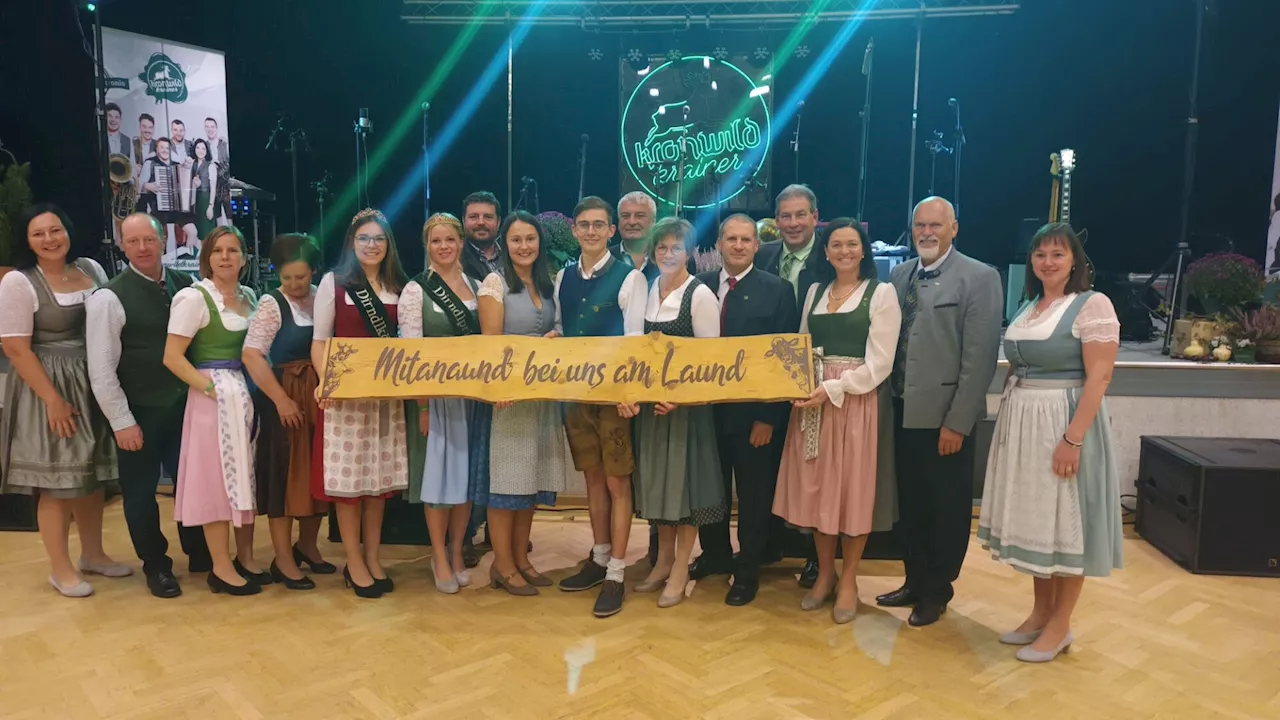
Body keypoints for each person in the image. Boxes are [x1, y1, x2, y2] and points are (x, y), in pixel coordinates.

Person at [978, 222, 1124, 663]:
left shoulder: (1091, 305)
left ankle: (1061, 625)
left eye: (1057, 255)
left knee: (1066, 525)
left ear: (1075, 260)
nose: (1047, 262)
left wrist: (1072, 439)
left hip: (1062, 420)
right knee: (1040, 523)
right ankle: (1040, 613)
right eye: (1040, 255)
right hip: (1025, 422)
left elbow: (1099, 376)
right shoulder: (1032, 305)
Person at [877, 196, 1002, 627]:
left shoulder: (979, 277)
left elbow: (980, 358)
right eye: (919, 226)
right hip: (900, 412)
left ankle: (936, 591)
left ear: (954, 228)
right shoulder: (898, 275)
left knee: (944, 509)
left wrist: (958, 421)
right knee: (909, 505)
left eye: (935, 225)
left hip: (944, 420)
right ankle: (913, 580)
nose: (926, 233)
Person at [773, 218, 901, 623]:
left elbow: (881, 363)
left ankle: (849, 578)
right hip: (813, 404)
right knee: (819, 491)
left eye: (851, 244)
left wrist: (833, 388)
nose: (844, 251)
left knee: (852, 493)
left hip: (855, 403)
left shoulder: (881, 294)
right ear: (825, 252)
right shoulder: (814, 291)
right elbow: (800, 346)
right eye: (836, 245)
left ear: (863, 250)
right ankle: (824, 573)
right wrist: (797, 382)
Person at [86, 212, 213, 598]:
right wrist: (122, 421)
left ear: (163, 242)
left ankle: (200, 552)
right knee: (140, 493)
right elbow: (101, 368)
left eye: (150, 240)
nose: (142, 248)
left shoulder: (186, 285)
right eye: (133, 241)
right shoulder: (108, 297)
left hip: (183, 407)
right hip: (138, 410)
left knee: (190, 483)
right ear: (123, 246)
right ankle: (156, 564)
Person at [1, 204, 122, 598]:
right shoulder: (19, 282)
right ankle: (60, 568)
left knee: (91, 476)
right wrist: (53, 400)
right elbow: (16, 349)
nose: (50, 239)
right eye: (39, 234)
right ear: (27, 241)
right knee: (57, 483)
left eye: (56, 230)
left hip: (92, 379)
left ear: (68, 231)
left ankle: (93, 554)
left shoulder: (90, 269)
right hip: (48, 384)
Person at [690, 214, 799, 606]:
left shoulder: (779, 290)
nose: (738, 246)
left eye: (746, 239)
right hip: (705, 414)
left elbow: (783, 359)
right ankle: (715, 555)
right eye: (731, 239)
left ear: (757, 245)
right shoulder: (699, 287)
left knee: (753, 497)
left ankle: (748, 569)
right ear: (718, 244)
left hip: (754, 418)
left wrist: (769, 416)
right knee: (709, 489)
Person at [621, 217, 724, 609]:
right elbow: (634, 350)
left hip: (685, 411)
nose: (667, 254)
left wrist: (681, 398)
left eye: (675, 248)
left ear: (689, 252)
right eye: (661, 248)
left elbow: (711, 364)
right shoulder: (647, 290)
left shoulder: (699, 296)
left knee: (684, 489)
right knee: (661, 487)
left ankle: (681, 566)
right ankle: (662, 562)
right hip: (653, 410)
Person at [555, 195, 647, 618]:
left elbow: (634, 342)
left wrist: (627, 392)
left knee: (617, 483)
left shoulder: (631, 279)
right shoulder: (562, 277)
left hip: (612, 399)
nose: (591, 231)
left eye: (599, 225)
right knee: (592, 480)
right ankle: (598, 555)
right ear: (574, 229)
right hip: (575, 395)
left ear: (612, 230)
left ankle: (616, 572)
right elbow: (562, 327)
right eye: (584, 224)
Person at [311, 208, 410, 599]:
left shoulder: (398, 287)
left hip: (383, 400)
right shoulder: (334, 284)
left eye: (379, 239)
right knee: (350, 487)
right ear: (352, 243)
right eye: (364, 238)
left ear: (389, 245)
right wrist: (327, 383)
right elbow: (319, 343)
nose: (372, 245)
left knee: (377, 486)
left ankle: (373, 557)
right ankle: (353, 561)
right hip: (346, 401)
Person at [162, 225, 262, 596]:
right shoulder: (194, 298)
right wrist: (211, 389)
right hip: (212, 401)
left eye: (233, 250)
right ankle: (220, 566)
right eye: (218, 250)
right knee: (216, 481)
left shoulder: (249, 295)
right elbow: (172, 357)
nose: (225, 257)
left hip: (244, 397)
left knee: (242, 477)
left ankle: (244, 558)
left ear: (243, 258)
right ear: (207, 257)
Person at [477, 211, 567, 596]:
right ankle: (502, 564)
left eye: (530, 238)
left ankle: (522, 558)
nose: (524, 246)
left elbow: (559, 327)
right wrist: (500, 389)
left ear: (539, 242)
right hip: (508, 397)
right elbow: (491, 342)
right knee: (506, 485)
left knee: (528, 484)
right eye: (516, 240)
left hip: (540, 396)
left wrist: (555, 338)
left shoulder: (547, 284)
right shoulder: (494, 283)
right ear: (505, 244)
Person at [242, 233, 333, 592]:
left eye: (302, 276)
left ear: (313, 271)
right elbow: (251, 355)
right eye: (287, 277)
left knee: (316, 475)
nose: (295, 285)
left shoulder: (321, 299)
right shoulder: (270, 303)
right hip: (286, 397)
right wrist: (281, 400)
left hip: (317, 396)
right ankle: (282, 559)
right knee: (284, 477)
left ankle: (307, 545)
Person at [399, 213, 483, 594]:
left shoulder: (477, 285)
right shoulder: (416, 290)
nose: (444, 246)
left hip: (469, 399)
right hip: (434, 400)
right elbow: (411, 356)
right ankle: (437, 555)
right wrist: (420, 406)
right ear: (427, 246)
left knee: (464, 481)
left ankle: (456, 551)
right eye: (436, 241)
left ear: (461, 242)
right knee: (437, 482)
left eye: (450, 240)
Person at [755, 184, 823, 587]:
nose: (793, 223)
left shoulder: (832, 257)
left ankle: (816, 555)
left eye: (801, 215)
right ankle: (770, 543)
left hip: (815, 378)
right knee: (768, 465)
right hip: (766, 379)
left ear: (816, 217)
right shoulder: (762, 256)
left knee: (814, 467)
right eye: (786, 216)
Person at [611, 191, 659, 286]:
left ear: (653, 222)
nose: (632, 222)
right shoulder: (605, 258)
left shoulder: (665, 259)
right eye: (625, 216)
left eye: (639, 216)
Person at [461, 191, 504, 282]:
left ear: (498, 222)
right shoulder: (454, 257)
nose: (481, 222)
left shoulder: (512, 255)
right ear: (464, 221)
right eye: (474, 217)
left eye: (488, 217)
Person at [191, 139, 218, 242]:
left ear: (207, 151)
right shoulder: (193, 164)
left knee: (208, 234)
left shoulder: (210, 165)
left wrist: (210, 206)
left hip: (206, 200)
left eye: (203, 148)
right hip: (197, 201)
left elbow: (213, 188)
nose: (200, 151)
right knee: (200, 233)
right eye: (198, 148)